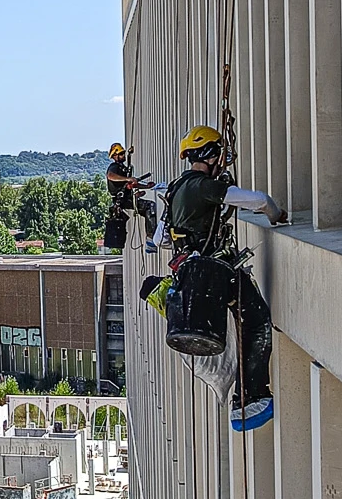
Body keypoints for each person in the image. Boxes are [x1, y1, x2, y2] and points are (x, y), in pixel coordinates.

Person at [150, 125, 288, 432]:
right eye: (221, 155)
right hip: (215, 271)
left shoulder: (175, 188)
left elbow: (160, 238)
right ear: (211, 155)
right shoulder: (203, 186)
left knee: (241, 322)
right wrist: (277, 216)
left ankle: (244, 396)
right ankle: (251, 396)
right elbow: (260, 200)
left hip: (191, 273)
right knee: (255, 320)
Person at [104, 142, 158, 252]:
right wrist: (127, 179)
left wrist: (146, 186)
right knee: (150, 206)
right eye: (121, 154)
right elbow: (110, 176)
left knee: (147, 208)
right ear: (115, 156)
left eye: (124, 153)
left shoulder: (122, 168)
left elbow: (131, 183)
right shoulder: (114, 167)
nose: (123, 155)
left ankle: (151, 236)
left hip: (126, 198)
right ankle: (151, 239)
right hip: (121, 200)